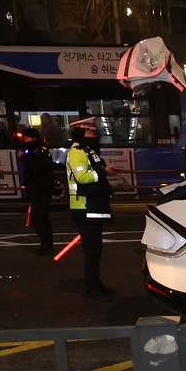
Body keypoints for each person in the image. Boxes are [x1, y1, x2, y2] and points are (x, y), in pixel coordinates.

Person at [64, 120, 114, 299]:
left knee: (95, 250)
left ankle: (96, 284)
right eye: (92, 131)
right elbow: (82, 177)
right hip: (84, 206)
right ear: (83, 132)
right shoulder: (77, 152)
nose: (95, 134)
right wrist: (105, 172)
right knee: (92, 250)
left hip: (90, 205)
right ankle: (92, 287)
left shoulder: (87, 151)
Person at [18, 130, 56, 255]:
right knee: (41, 217)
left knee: (38, 217)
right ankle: (47, 244)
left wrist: (23, 157)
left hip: (42, 189)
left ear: (33, 138)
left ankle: (47, 245)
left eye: (26, 138)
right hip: (38, 189)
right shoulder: (36, 151)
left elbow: (35, 168)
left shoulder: (41, 152)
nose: (25, 141)